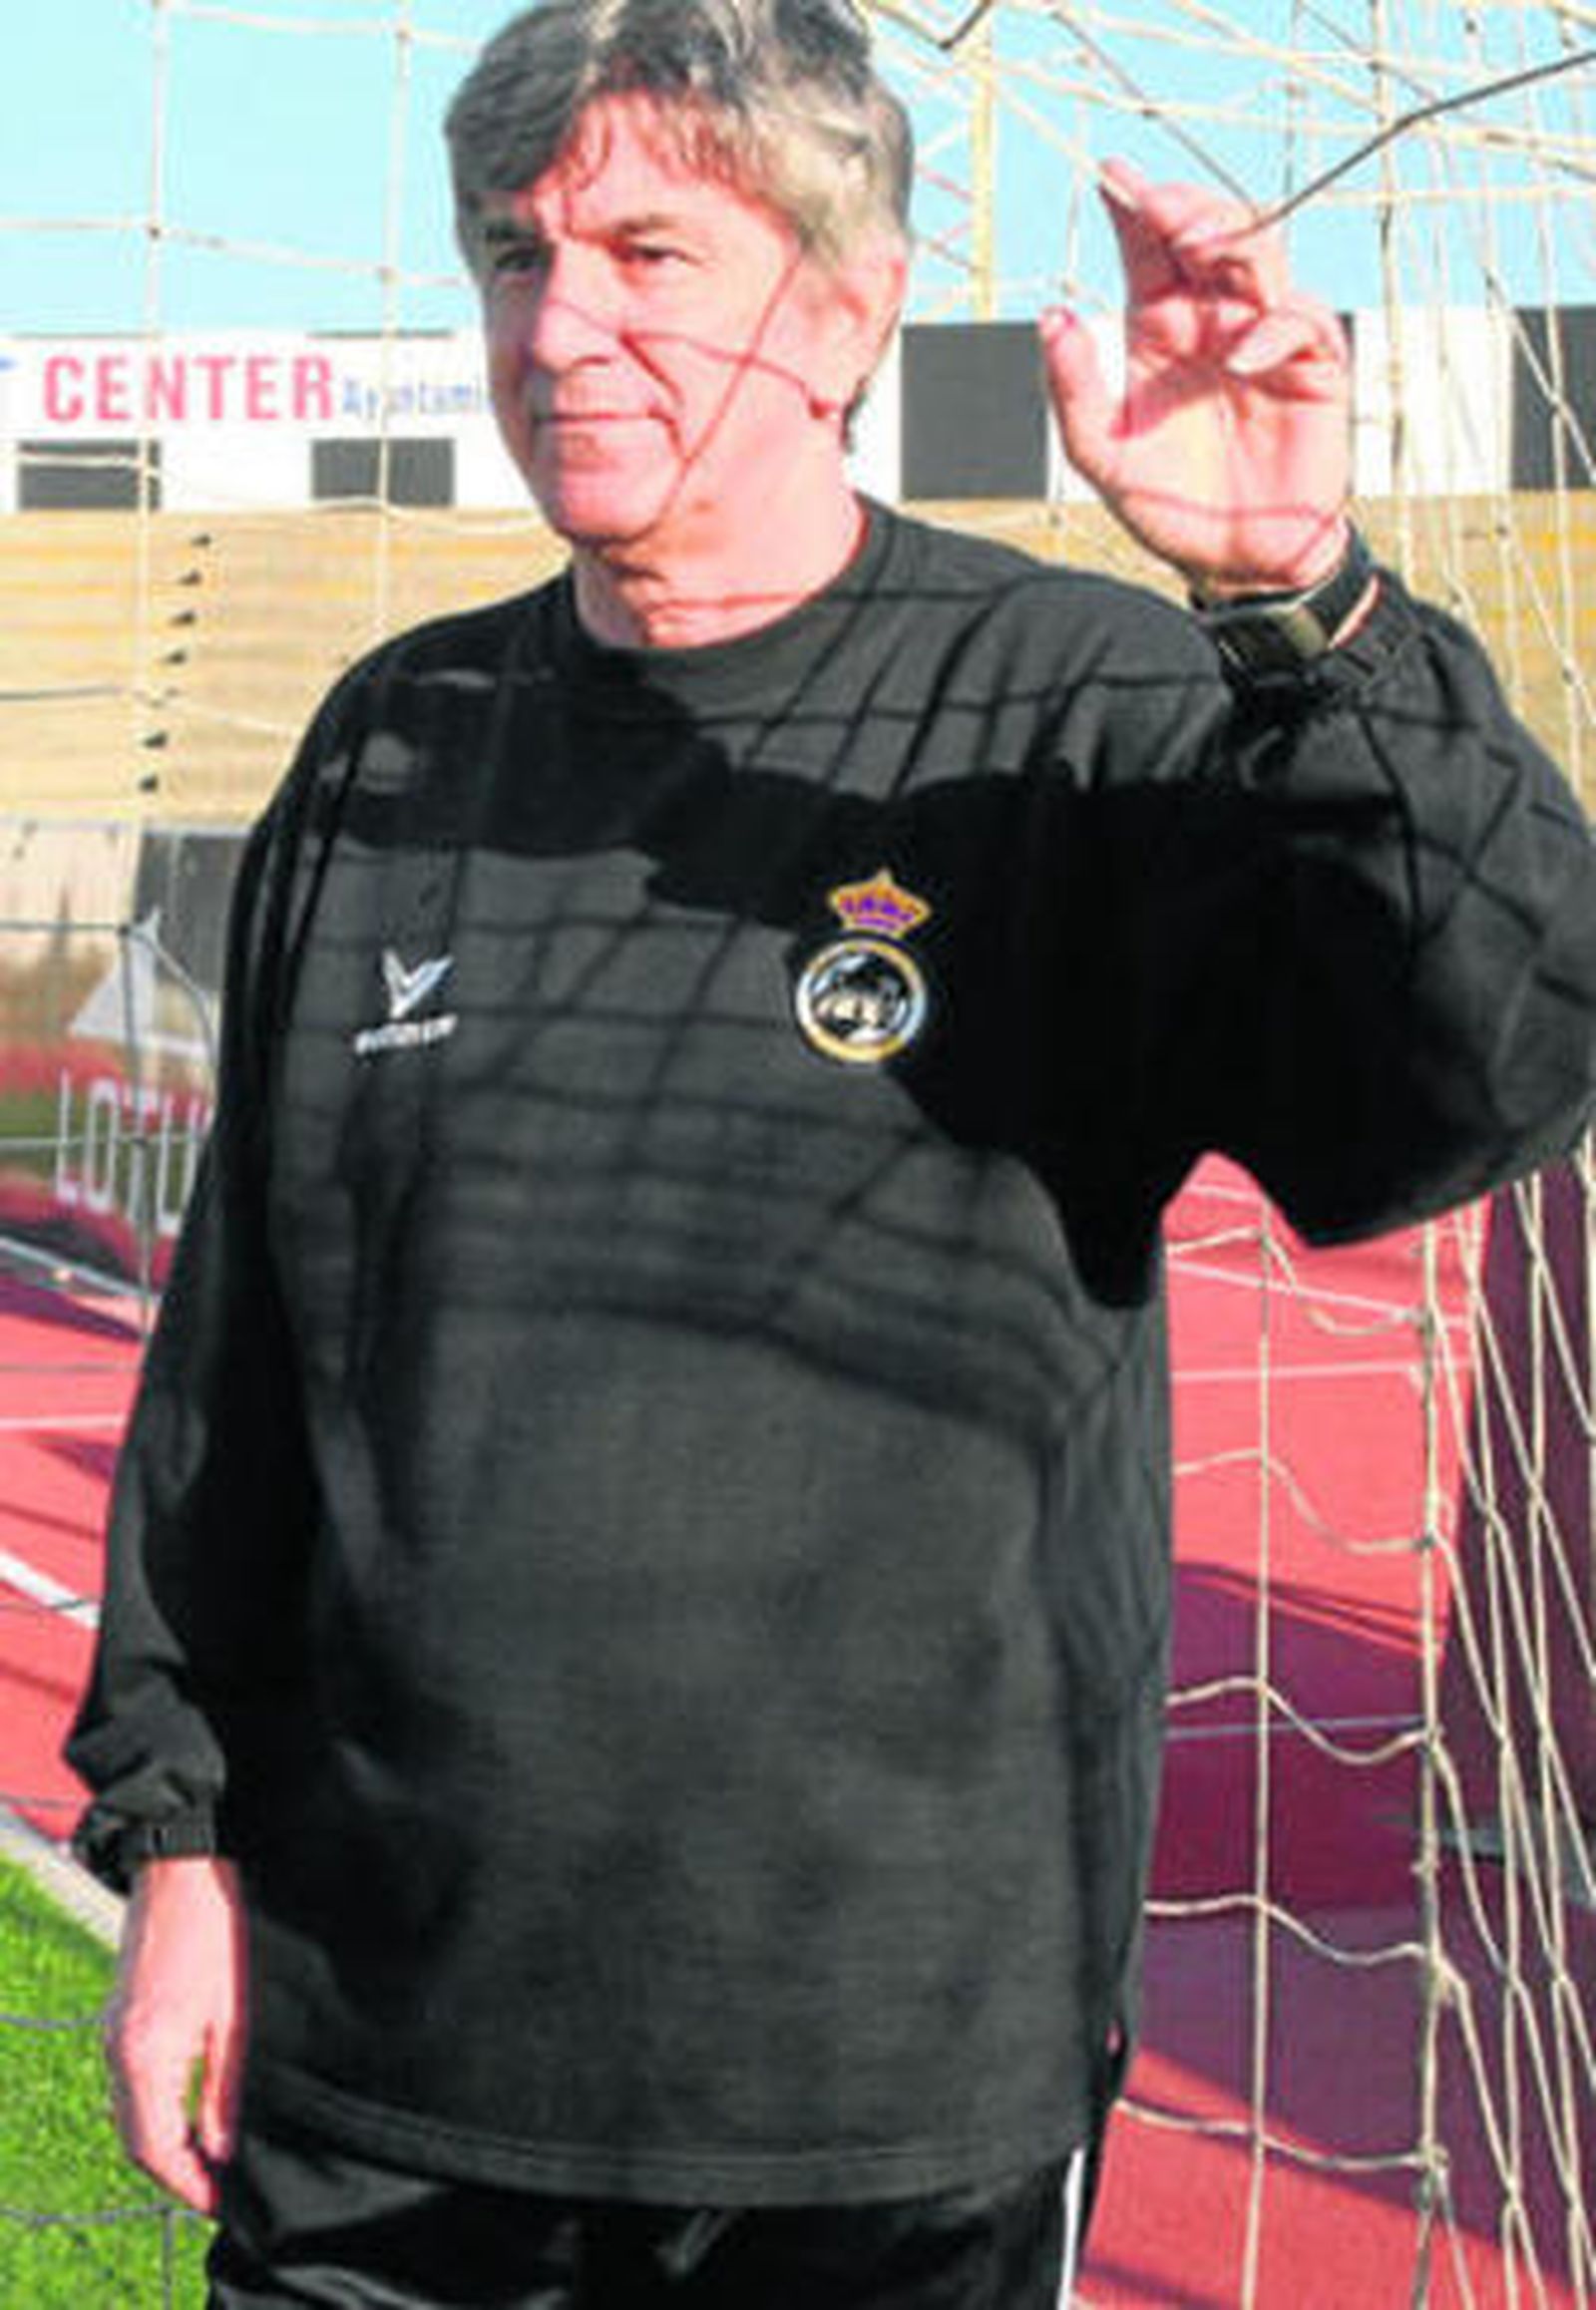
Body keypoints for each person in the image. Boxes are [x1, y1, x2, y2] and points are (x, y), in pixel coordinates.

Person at [66, 1, 1596, 2303]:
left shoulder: (1089, 711)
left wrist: (1304, 604)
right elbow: (243, 1367)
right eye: (513, 253)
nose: (559, 325)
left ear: (846, 303)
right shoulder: (398, 738)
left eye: (649, 254)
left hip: (887, 2084)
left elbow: (1477, 1078)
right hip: (387, 2058)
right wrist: (176, 1841)